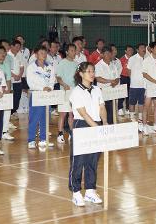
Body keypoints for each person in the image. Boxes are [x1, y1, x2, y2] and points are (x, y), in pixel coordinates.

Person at [68, 61, 108, 207]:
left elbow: (102, 107)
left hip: (97, 124)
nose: (92, 74)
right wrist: (96, 127)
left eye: (93, 71)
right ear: (81, 74)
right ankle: (76, 192)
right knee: (78, 160)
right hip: (83, 126)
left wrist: (104, 123)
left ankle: (90, 191)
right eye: (89, 71)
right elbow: (83, 113)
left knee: (93, 159)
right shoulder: (76, 92)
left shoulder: (97, 90)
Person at [26, 45, 56, 149]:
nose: (44, 55)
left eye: (45, 53)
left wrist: (50, 88)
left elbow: (52, 80)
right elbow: (30, 82)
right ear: (36, 55)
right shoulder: (31, 67)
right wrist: (42, 88)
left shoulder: (50, 67)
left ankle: (44, 139)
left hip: (47, 96)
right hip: (36, 95)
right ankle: (31, 140)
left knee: (45, 118)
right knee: (34, 118)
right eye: (41, 53)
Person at [56, 43, 78, 144]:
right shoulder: (62, 63)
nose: (74, 52)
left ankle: (71, 132)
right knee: (63, 114)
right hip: (64, 91)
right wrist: (64, 84)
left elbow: (78, 78)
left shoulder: (76, 64)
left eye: (74, 50)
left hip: (74, 91)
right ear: (67, 52)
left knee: (71, 114)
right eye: (72, 50)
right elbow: (58, 77)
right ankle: (60, 133)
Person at [95, 47, 120, 125]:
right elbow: (98, 78)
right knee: (104, 111)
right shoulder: (98, 65)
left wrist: (115, 82)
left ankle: (111, 126)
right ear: (102, 55)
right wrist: (110, 81)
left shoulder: (113, 65)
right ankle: (104, 127)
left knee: (112, 111)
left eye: (110, 53)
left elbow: (117, 77)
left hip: (113, 92)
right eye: (106, 54)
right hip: (103, 92)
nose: (109, 55)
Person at [0, 47, 15, 141]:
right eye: (0, 53)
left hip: (6, 91)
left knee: (7, 111)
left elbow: (8, 79)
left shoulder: (7, 64)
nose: (3, 54)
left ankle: (4, 131)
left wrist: (8, 91)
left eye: (4, 53)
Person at [127, 43, 146, 126]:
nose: (144, 49)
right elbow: (128, 71)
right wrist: (134, 79)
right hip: (134, 85)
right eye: (142, 48)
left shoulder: (147, 58)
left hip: (144, 85)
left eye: (144, 47)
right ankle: (132, 117)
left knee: (142, 102)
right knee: (132, 102)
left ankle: (140, 118)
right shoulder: (132, 59)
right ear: (137, 50)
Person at [8, 40, 24, 118]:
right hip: (10, 81)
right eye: (16, 47)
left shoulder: (20, 54)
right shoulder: (7, 55)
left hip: (19, 80)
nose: (18, 49)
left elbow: (22, 67)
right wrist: (14, 76)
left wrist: (19, 75)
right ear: (12, 46)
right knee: (11, 97)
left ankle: (14, 111)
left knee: (18, 97)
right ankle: (10, 113)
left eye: (19, 47)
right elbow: (7, 68)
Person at [118, 45, 134, 116]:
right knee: (122, 93)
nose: (131, 51)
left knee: (129, 94)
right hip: (123, 77)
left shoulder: (134, 59)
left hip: (131, 78)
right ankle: (120, 108)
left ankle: (128, 108)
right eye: (129, 50)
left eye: (131, 50)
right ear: (125, 51)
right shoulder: (121, 59)